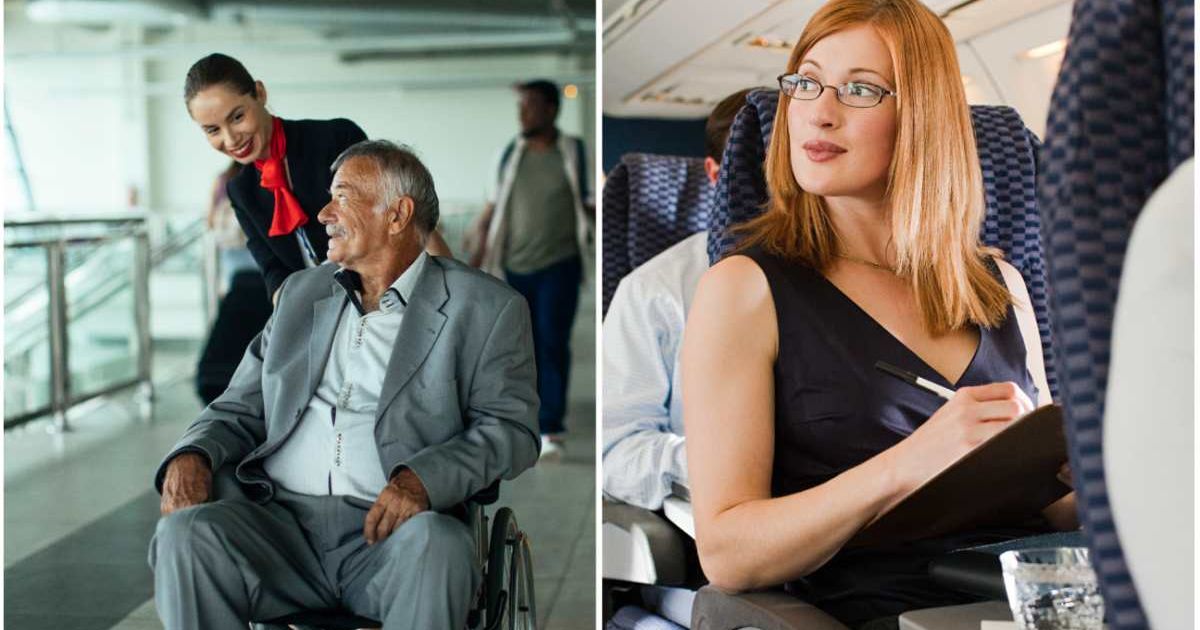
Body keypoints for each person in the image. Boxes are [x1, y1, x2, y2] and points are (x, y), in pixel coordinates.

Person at [680, 1, 1076, 628]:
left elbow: (1053, 507)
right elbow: (728, 554)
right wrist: (911, 461)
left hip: (1035, 595)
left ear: (924, 119)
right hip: (889, 611)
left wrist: (1091, 476)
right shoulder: (745, 291)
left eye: (860, 89)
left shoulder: (1002, 285)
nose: (818, 110)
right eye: (805, 82)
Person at [149, 140, 539, 629]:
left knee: (440, 547)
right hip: (278, 527)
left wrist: (421, 478)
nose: (325, 212)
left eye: (343, 196)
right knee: (184, 535)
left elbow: (512, 430)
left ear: (397, 215)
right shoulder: (300, 293)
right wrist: (194, 454)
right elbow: (238, 407)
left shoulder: (484, 307)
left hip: (394, 533)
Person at [184, 53, 450, 304]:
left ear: (260, 94)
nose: (230, 139)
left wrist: (453, 289)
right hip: (325, 309)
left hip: (391, 289)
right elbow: (274, 273)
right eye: (213, 130)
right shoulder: (241, 190)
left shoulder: (334, 138)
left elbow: (405, 222)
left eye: (238, 117)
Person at [602, 88, 753, 511]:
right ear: (714, 175)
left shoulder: (863, 277)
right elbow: (614, 450)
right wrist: (713, 461)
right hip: (717, 510)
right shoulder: (656, 290)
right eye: (752, 172)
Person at [469, 79, 593, 457]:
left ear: (552, 110)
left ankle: (551, 426)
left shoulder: (572, 152)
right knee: (521, 347)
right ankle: (524, 419)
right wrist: (475, 255)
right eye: (520, 107)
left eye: (531, 106)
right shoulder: (510, 154)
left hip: (560, 264)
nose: (523, 113)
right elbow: (492, 207)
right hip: (514, 266)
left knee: (552, 342)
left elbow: (587, 201)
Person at [194, 161, 273, 404]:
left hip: (238, 277)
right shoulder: (269, 179)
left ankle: (231, 399)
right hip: (266, 276)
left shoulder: (225, 181)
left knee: (228, 348)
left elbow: (210, 223)